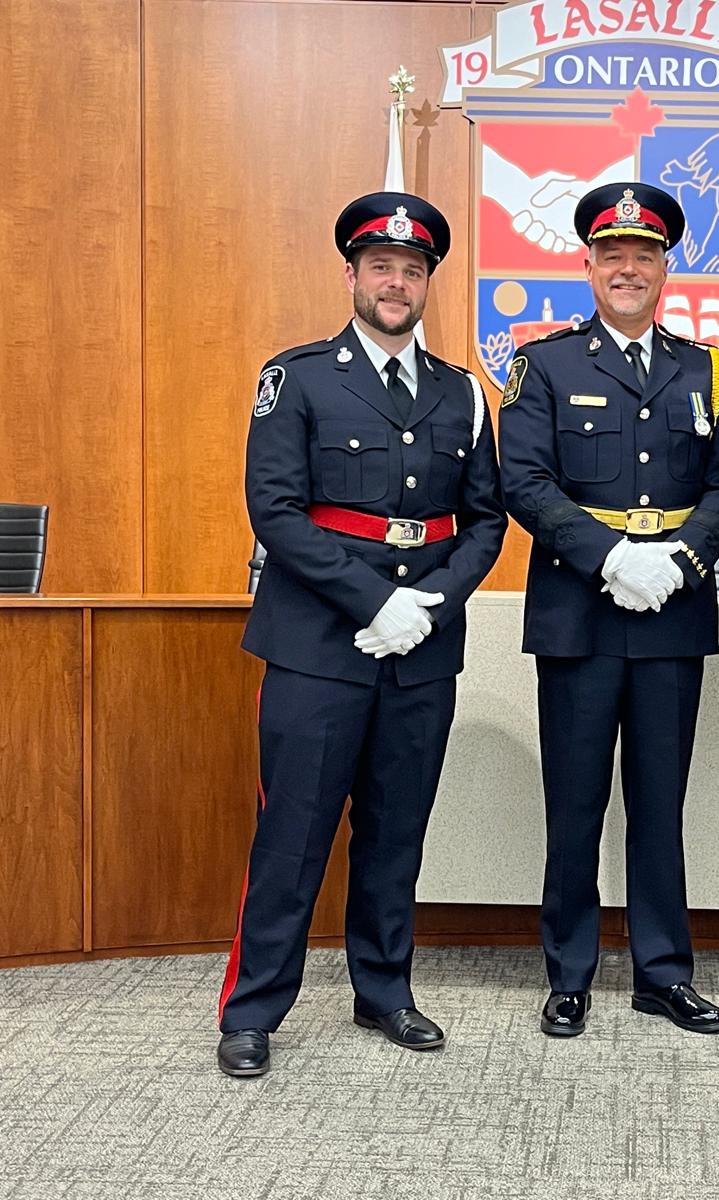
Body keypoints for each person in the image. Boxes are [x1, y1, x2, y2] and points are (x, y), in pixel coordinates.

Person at [216, 192, 506, 1077]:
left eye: (412, 271)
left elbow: (486, 521)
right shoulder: (297, 376)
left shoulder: (461, 391)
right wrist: (371, 604)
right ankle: (254, 1008)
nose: (396, 282)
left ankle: (385, 991)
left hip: (421, 650)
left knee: (397, 828)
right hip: (317, 645)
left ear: (427, 285)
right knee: (294, 830)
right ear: (352, 274)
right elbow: (276, 510)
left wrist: (428, 606)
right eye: (381, 267)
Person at [498, 182, 719, 1038]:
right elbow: (522, 480)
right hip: (580, 610)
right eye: (614, 255)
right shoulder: (546, 364)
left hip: (673, 612)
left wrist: (679, 560)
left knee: (658, 804)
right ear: (589, 266)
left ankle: (662, 973)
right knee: (574, 803)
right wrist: (609, 556)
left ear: (666, 267)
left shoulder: (705, 367)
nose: (629, 269)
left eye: (645, 255)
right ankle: (568, 972)